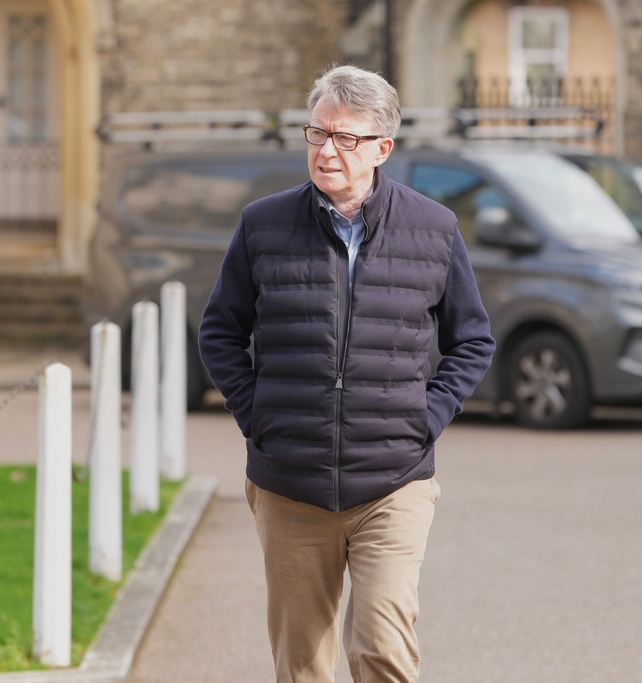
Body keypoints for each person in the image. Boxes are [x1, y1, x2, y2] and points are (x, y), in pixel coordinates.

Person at [198, 64, 495, 683]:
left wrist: (425, 418)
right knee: (302, 662)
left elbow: (471, 341)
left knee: (382, 653)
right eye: (317, 134)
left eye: (346, 138)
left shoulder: (434, 230)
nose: (327, 149)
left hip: (394, 481)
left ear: (383, 148)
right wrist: (261, 419)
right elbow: (220, 332)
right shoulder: (263, 226)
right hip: (290, 484)